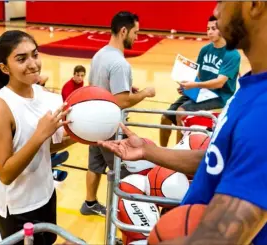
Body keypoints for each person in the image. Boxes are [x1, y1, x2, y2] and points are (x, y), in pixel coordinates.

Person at [98, 2, 267, 244]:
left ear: (255, 5)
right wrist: (149, 151)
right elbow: (218, 160)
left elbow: (217, 239)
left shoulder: (263, 113)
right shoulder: (250, 85)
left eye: (222, 1)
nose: (216, 12)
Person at [0, 30, 76, 245]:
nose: (33, 63)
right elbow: (6, 173)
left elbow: (47, 147)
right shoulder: (0, 108)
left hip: (46, 194)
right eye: (21, 58)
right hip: (18, 208)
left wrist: (81, 136)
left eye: (35, 55)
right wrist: (40, 134)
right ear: (4, 68)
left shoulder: (44, 96)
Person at [80, 11, 156, 217]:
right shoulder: (120, 63)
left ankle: (90, 203)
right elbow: (121, 100)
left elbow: (97, 86)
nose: (137, 37)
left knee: (95, 165)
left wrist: (126, 87)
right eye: (135, 32)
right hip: (108, 126)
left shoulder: (100, 54)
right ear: (124, 31)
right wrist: (144, 93)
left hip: (92, 123)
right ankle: (126, 214)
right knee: (121, 170)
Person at [160, 15, 241, 147]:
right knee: (165, 117)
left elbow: (220, 82)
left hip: (220, 96)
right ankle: (162, 152)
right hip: (201, 92)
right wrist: (187, 87)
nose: (209, 32)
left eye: (213, 29)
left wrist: (194, 85)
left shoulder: (232, 54)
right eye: (207, 29)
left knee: (181, 112)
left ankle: (177, 153)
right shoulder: (205, 50)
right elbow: (198, 75)